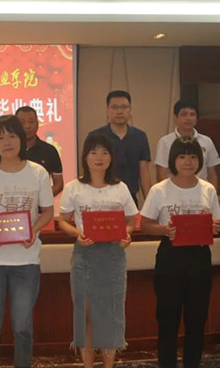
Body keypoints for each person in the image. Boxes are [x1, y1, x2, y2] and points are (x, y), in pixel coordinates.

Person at [0, 115, 54, 368]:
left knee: (23, 326)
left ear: (22, 139)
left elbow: (48, 211)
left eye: (12, 136)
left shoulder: (37, 173)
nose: (7, 142)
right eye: (0, 137)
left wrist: (33, 231)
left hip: (26, 262)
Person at [141, 136, 220, 368]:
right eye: (182, 156)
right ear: (173, 160)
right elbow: (145, 224)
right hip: (170, 258)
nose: (188, 162)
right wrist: (165, 229)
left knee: (197, 319)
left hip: (199, 258)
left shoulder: (208, 189)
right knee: (168, 320)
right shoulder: (159, 190)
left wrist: (214, 227)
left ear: (200, 160)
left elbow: (216, 221)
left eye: (193, 156)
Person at [58, 133, 137, 368]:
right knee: (86, 314)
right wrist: (77, 234)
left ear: (111, 157)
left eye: (104, 152)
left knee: (110, 314)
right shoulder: (74, 187)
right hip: (85, 255)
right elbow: (63, 221)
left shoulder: (120, 188)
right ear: (85, 157)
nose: (99, 157)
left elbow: (131, 220)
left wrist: (127, 234)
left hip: (113, 256)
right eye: (93, 152)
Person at [88, 90, 152, 205]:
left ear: (130, 110)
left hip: (130, 197)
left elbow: (144, 171)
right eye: (114, 107)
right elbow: (88, 168)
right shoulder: (95, 136)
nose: (119, 111)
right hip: (100, 197)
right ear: (107, 111)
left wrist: (150, 204)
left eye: (124, 107)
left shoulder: (140, 136)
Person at [155, 100, 220, 189]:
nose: (188, 118)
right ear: (176, 118)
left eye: (192, 114)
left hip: (201, 191)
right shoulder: (165, 142)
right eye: (184, 114)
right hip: (174, 192)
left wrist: (212, 194)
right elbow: (161, 175)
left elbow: (212, 174)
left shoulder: (207, 141)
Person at [15, 106, 64, 196]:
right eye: (22, 123)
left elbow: (58, 184)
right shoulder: (10, 151)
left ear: (37, 124)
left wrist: (42, 198)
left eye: (31, 122)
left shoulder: (49, 151)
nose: (27, 126)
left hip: (41, 203)